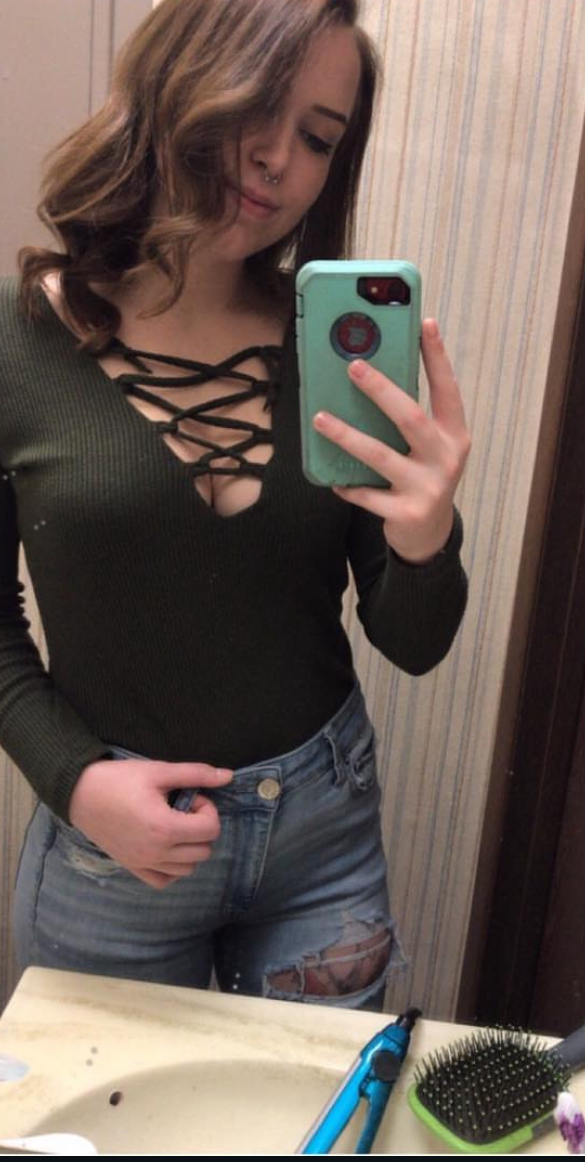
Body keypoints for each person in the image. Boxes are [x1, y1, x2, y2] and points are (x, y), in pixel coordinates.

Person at [0, 0, 469, 1011]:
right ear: (178, 76)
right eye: (258, 102)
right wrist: (75, 780)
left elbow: (413, 642)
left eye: (318, 137)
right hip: (110, 852)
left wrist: (427, 540)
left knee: (316, 1103)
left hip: (321, 840)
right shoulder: (16, 339)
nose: (278, 160)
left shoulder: (335, 349)